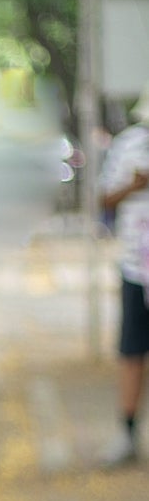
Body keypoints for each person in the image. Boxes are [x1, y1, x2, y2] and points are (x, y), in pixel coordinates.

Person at [100, 88, 149, 466]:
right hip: (136, 265)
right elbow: (103, 198)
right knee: (131, 352)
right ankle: (127, 434)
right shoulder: (129, 144)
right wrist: (134, 185)